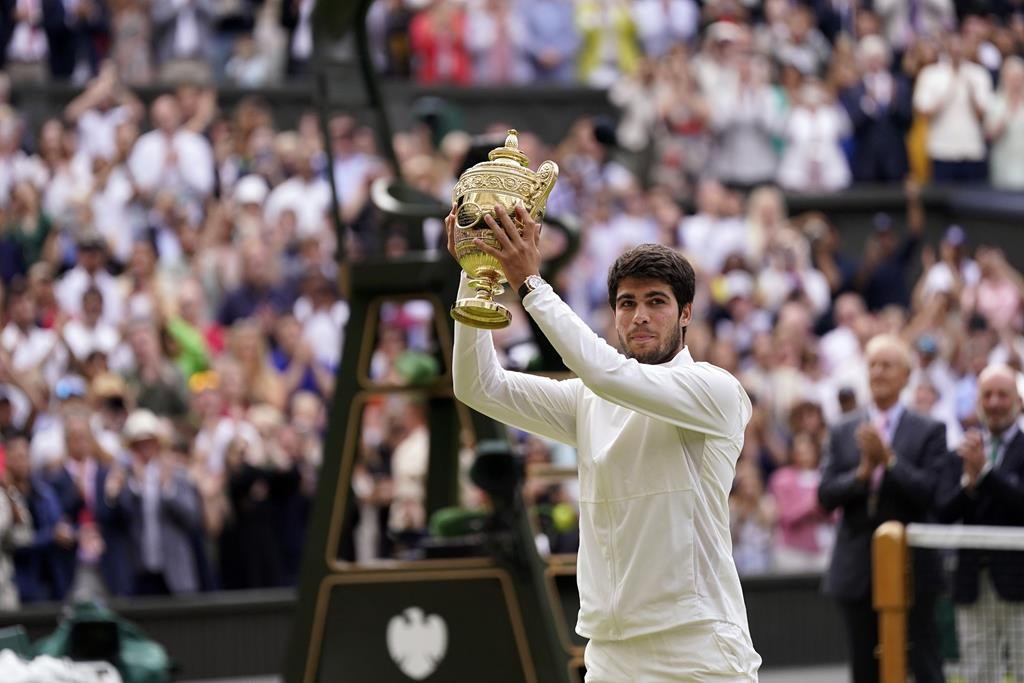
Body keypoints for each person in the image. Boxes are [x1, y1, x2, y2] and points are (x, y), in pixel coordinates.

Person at [448, 204, 760, 681]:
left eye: (656, 302)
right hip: (611, 653)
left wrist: (532, 285)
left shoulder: (715, 390)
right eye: (627, 303)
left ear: (686, 314)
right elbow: (477, 385)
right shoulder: (589, 401)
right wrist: (477, 275)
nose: (639, 316)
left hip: (699, 648)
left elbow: (604, 373)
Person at [818, 334, 946, 683]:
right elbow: (826, 495)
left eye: (887, 365)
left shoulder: (930, 429)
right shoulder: (843, 429)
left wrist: (889, 460)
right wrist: (860, 474)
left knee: (925, 663)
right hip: (856, 568)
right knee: (864, 668)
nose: (878, 372)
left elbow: (932, 494)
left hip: (913, 569)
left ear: (906, 375)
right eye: (873, 364)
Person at [935, 364, 1024, 683]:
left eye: (1003, 394)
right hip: (972, 583)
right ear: (977, 403)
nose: (995, 402)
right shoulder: (962, 452)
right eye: (988, 395)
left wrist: (986, 472)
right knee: (977, 674)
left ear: (1019, 401)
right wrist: (968, 485)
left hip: (1019, 584)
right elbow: (942, 511)